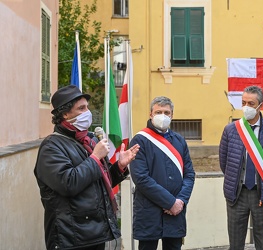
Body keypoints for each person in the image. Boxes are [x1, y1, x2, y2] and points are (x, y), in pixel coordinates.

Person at [34, 85, 140, 250]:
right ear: (65, 113)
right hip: (71, 237)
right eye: (81, 108)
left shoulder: (88, 140)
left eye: (87, 107)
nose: (87, 112)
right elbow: (68, 183)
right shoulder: (51, 146)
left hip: (95, 233)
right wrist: (95, 157)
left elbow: (99, 182)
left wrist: (119, 166)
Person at [219, 85, 263, 250]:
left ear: (260, 105)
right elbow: (224, 161)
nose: (246, 107)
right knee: (235, 244)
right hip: (237, 194)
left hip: (261, 195)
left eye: (251, 103)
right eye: (243, 102)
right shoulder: (231, 130)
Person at [129, 96, 195, 250]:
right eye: (158, 112)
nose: (163, 116)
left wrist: (180, 201)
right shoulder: (140, 140)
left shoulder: (179, 140)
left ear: (172, 115)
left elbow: (189, 175)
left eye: (167, 112)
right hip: (149, 212)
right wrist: (170, 202)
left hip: (175, 213)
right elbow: (141, 178)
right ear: (151, 114)